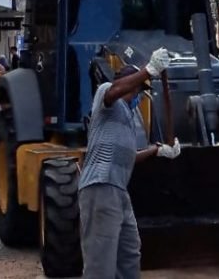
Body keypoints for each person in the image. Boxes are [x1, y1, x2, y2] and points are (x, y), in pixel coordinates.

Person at [79, 49, 181, 279]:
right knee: (100, 262)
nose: (139, 95)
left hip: (118, 190)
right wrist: (149, 70)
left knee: (129, 253)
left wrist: (158, 151)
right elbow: (114, 91)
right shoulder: (107, 94)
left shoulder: (127, 118)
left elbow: (127, 157)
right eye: (139, 89)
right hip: (100, 186)